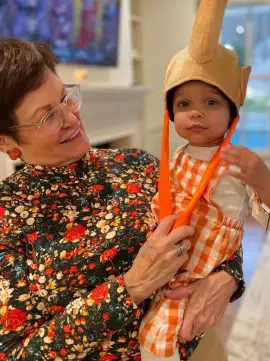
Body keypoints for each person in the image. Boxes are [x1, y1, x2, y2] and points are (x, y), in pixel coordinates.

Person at [0, 38, 242, 360]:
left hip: (197, 348)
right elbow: (17, 353)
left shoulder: (136, 163)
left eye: (66, 98)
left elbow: (216, 221)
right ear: (5, 141)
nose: (71, 119)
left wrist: (229, 279)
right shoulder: (8, 215)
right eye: (47, 117)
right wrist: (132, 286)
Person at [138, 0, 270, 359]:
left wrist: (262, 178)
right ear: (170, 114)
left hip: (197, 273)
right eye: (184, 104)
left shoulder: (235, 162)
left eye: (211, 102)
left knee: (159, 337)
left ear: (231, 113)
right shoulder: (177, 157)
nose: (196, 112)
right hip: (167, 261)